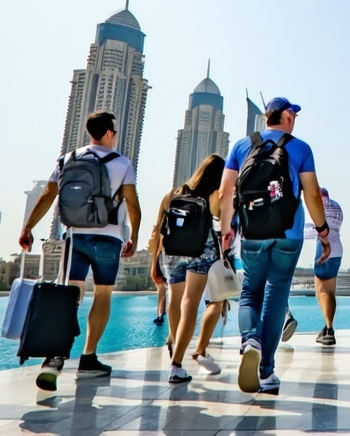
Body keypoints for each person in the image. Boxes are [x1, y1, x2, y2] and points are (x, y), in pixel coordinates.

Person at [20, 110, 142, 392]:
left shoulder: (66, 159)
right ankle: (88, 359)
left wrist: (27, 228)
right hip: (108, 238)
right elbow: (132, 204)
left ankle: (54, 357)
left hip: (75, 236)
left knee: (70, 295)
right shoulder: (122, 163)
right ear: (109, 133)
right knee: (102, 294)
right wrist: (133, 236)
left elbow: (48, 195)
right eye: (115, 132)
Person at [218, 97, 331, 395]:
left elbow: (225, 192)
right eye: (294, 115)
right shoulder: (301, 148)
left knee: (250, 292)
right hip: (289, 233)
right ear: (287, 116)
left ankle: (249, 340)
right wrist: (322, 231)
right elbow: (312, 195)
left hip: (252, 232)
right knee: (276, 295)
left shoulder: (242, 146)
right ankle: (266, 370)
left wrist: (227, 229)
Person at [147, 154, 228, 383]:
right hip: (200, 252)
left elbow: (158, 230)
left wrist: (154, 264)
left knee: (174, 301)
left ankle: (175, 344)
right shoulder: (214, 195)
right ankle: (176, 365)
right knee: (190, 303)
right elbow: (222, 223)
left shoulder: (173, 194)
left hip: (171, 254)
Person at [303, 187, 344, 345]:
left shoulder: (319, 206)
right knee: (331, 292)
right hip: (338, 248)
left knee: (321, 291)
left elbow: (311, 229)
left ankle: (329, 329)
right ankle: (328, 326)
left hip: (324, 248)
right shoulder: (336, 207)